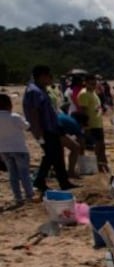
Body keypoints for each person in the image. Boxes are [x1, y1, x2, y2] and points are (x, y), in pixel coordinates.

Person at [23, 65, 75, 194]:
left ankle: (64, 182)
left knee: (57, 156)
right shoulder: (34, 91)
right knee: (51, 155)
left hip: (52, 127)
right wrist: (38, 132)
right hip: (45, 129)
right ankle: (40, 180)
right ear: (42, 77)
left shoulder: (41, 89)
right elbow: (33, 113)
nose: (50, 79)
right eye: (48, 76)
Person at [0, 93, 35, 206]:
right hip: (19, 149)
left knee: (12, 174)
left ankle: (18, 198)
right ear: (9, 104)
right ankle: (29, 195)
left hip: (4, 150)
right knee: (24, 173)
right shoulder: (14, 117)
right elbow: (27, 126)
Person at [78, 75, 107, 173]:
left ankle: (103, 166)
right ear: (85, 82)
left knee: (102, 147)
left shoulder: (93, 93)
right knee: (97, 147)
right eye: (91, 84)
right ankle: (100, 168)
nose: (94, 86)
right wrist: (86, 126)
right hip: (91, 125)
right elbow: (83, 111)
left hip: (98, 123)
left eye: (95, 83)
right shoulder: (84, 94)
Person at [55, 111, 85, 178]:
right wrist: (82, 160)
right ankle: (71, 172)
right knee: (76, 147)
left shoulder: (67, 118)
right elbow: (81, 143)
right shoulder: (76, 125)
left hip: (48, 128)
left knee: (60, 148)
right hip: (56, 130)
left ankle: (60, 171)